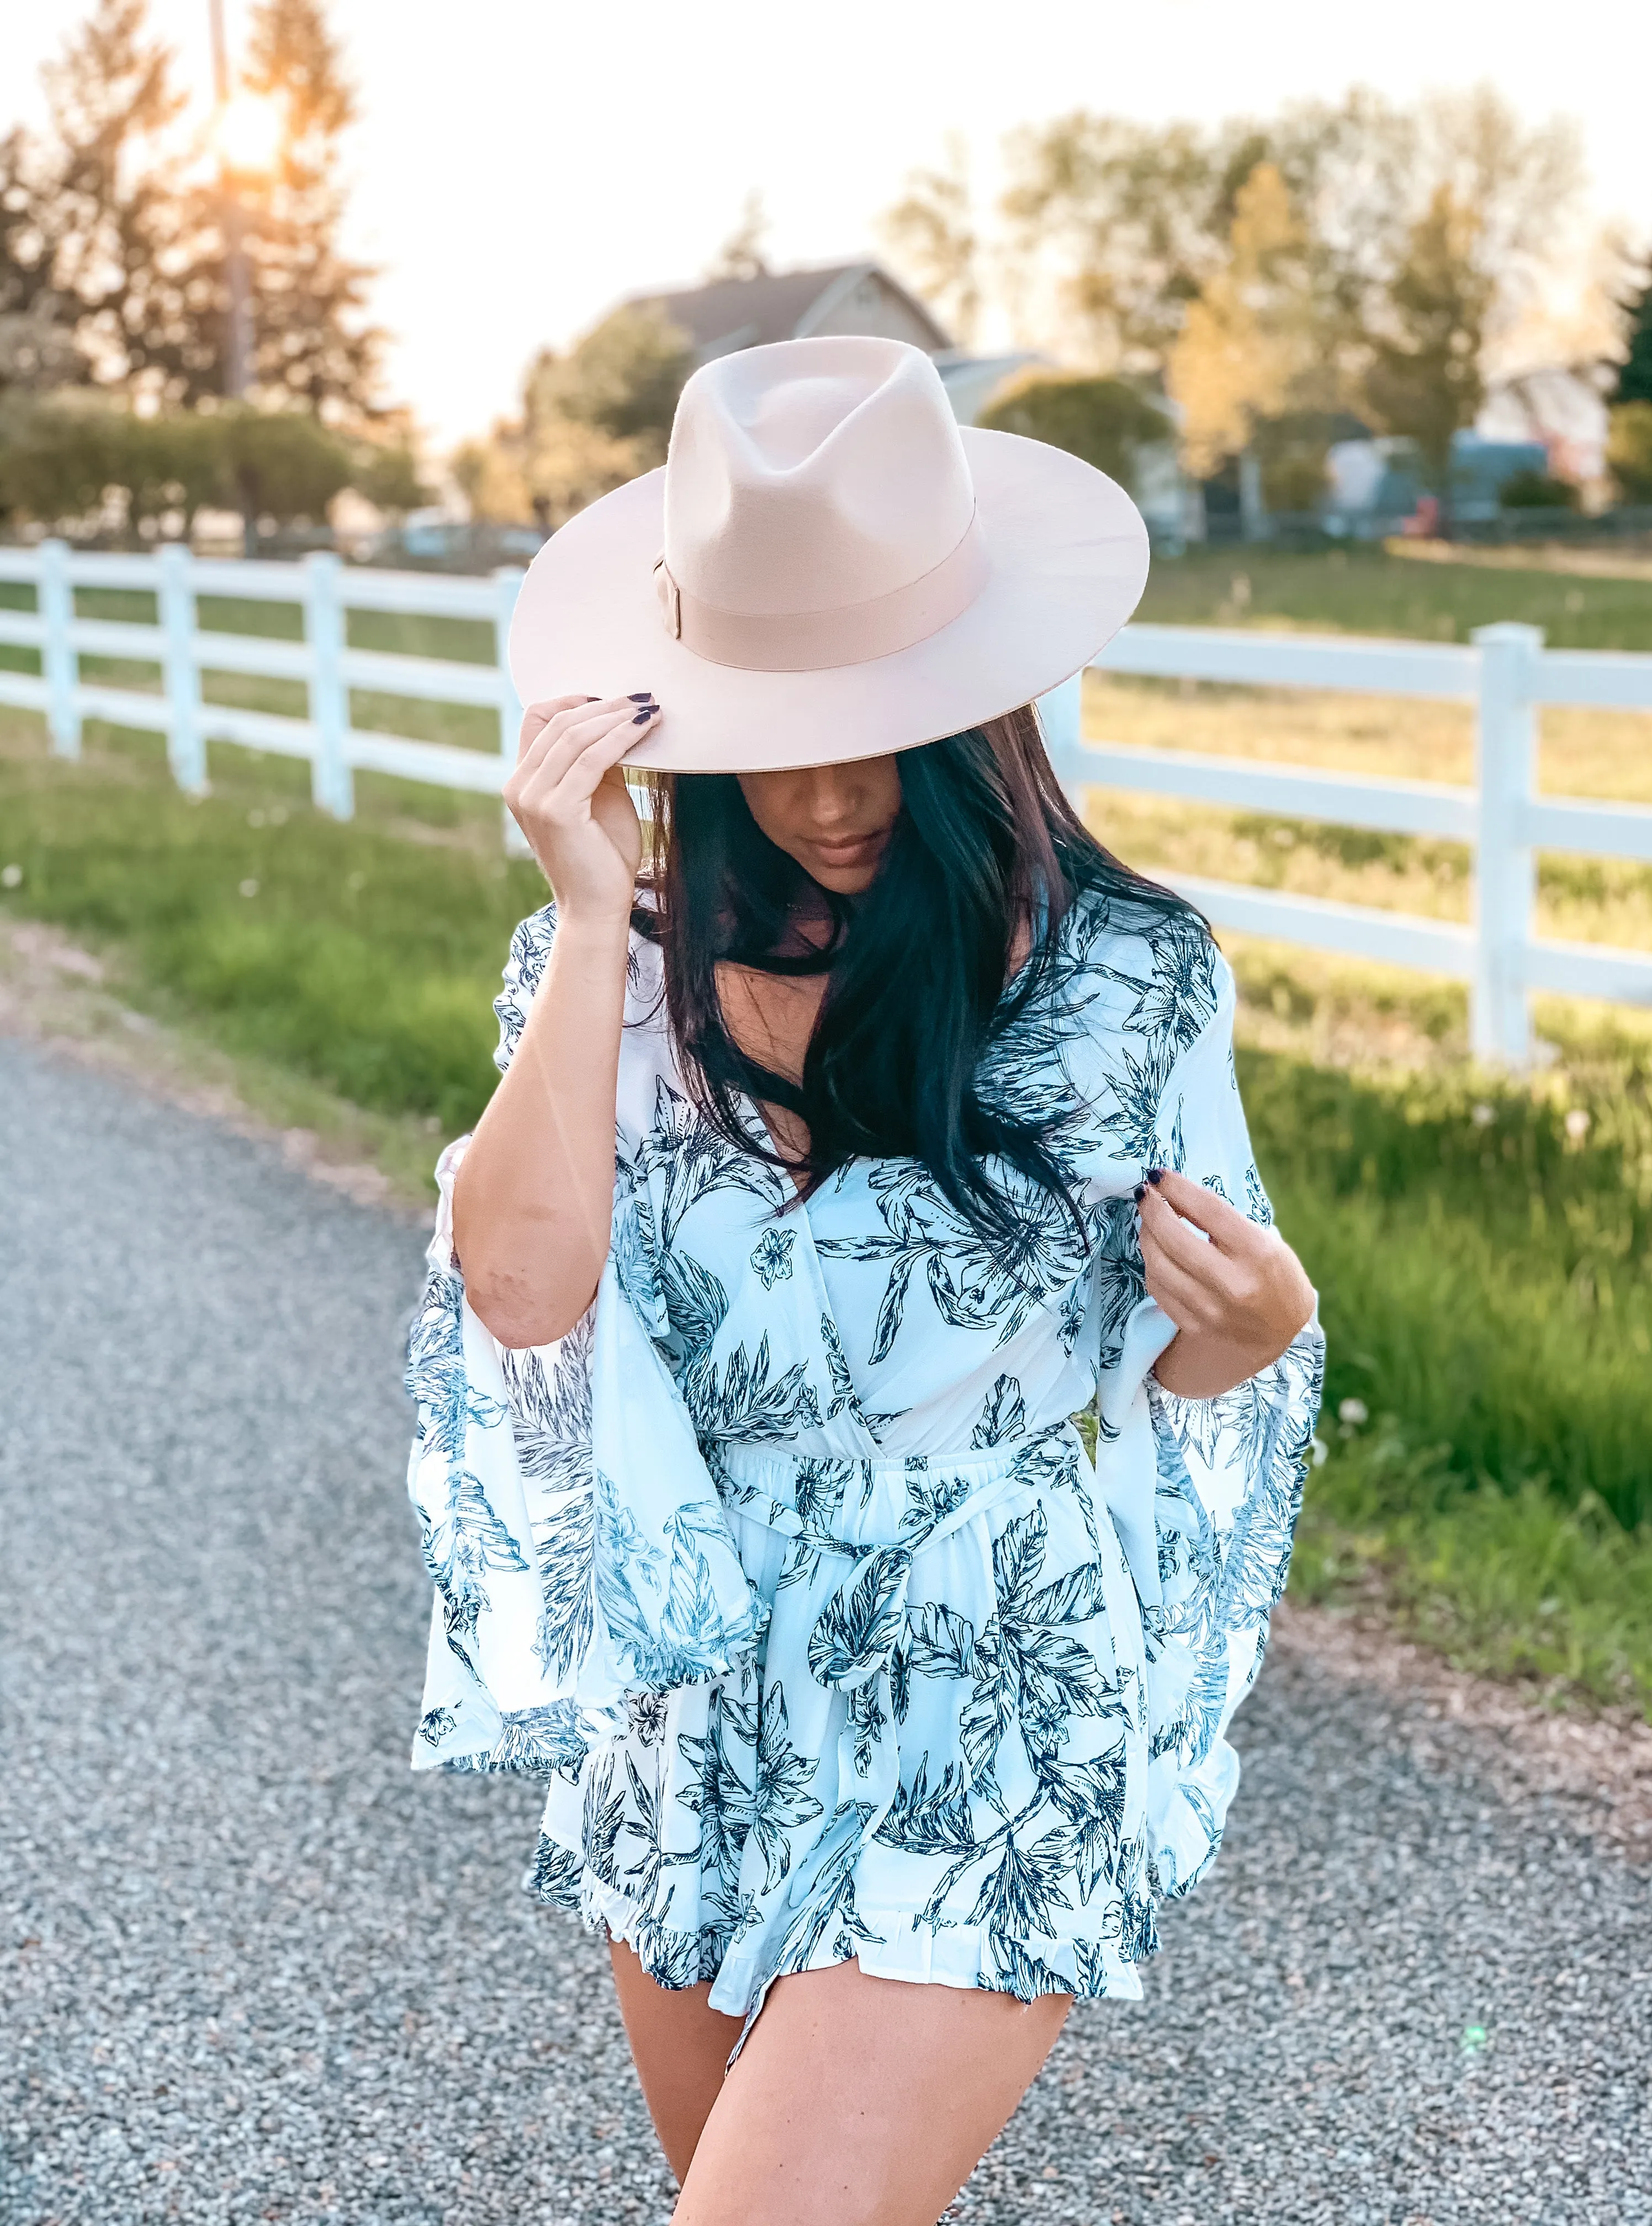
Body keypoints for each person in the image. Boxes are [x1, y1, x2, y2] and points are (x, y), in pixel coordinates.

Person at [403, 335, 1323, 2226]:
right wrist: (591, 920)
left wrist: (1259, 1331)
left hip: (995, 1684)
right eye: (771, 736)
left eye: (884, 728)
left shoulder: (1124, 984)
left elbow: (1194, 1351)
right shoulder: (605, 972)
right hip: (704, 1700)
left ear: (981, 709)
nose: (828, 796)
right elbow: (518, 1294)